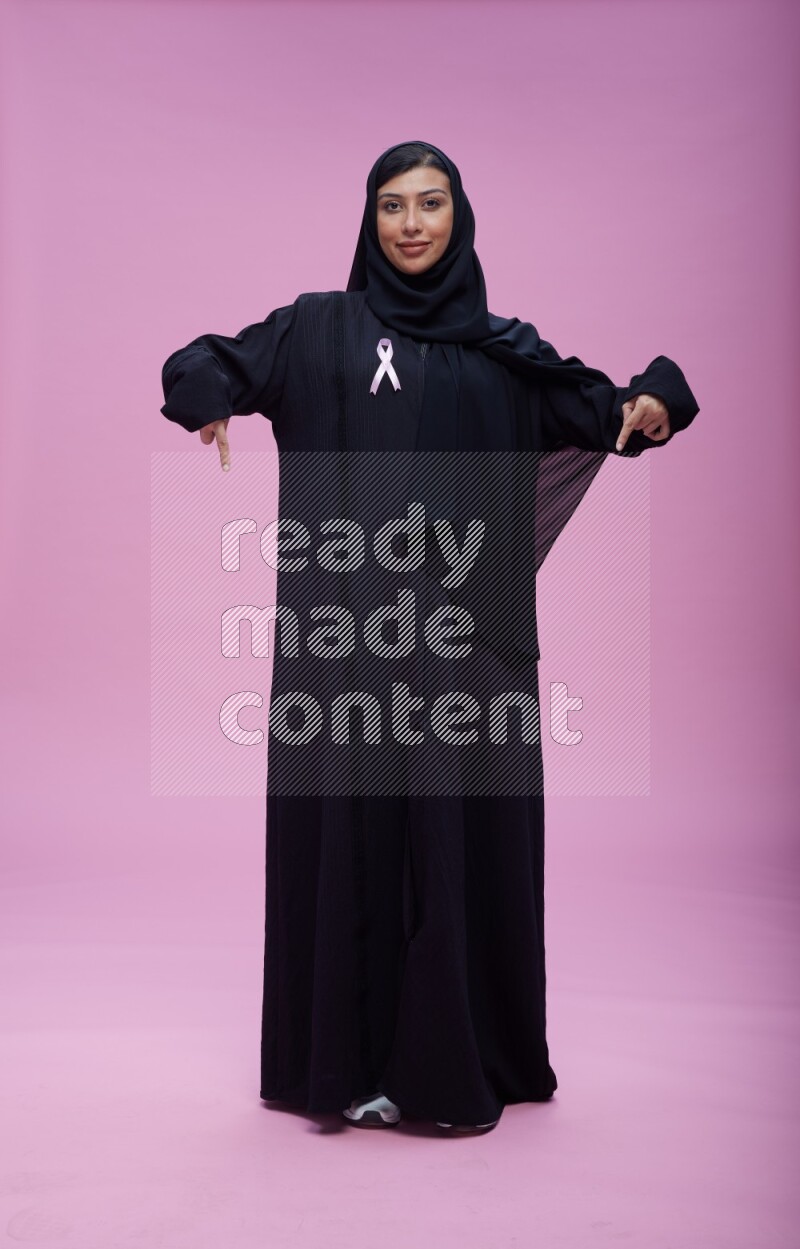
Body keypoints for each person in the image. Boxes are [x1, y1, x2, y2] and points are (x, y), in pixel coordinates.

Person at [160, 140, 699, 1135]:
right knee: (351, 841)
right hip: (343, 656)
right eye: (392, 206)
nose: (411, 224)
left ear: (458, 218)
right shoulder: (315, 331)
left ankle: (451, 1067)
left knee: (454, 844)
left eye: (430, 204)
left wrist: (660, 399)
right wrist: (201, 400)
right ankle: (346, 1065)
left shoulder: (499, 349)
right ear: (369, 221)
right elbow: (207, 362)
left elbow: (614, 410)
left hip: (462, 654)